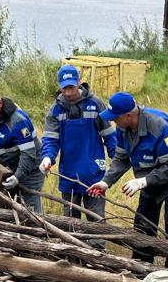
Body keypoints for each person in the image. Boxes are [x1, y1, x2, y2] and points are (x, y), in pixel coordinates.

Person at [88, 92, 168, 262]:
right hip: (147, 184)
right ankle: (141, 267)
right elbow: (121, 159)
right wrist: (105, 182)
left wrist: (143, 181)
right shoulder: (122, 129)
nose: (112, 121)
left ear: (128, 116)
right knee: (142, 226)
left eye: (115, 118)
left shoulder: (159, 127)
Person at [39, 65, 117, 222]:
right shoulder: (56, 110)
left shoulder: (95, 104)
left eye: (71, 87)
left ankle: (98, 240)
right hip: (68, 175)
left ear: (79, 82)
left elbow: (109, 136)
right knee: (70, 223)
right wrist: (47, 158)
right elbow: (51, 140)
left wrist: (117, 160)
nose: (68, 93)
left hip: (94, 174)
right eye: (64, 88)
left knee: (96, 220)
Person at [0, 87, 44, 212]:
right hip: (9, 171)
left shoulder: (18, 122)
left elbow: (28, 154)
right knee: (8, 208)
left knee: (29, 211)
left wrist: (18, 176)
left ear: (0, 103)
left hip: (30, 172)